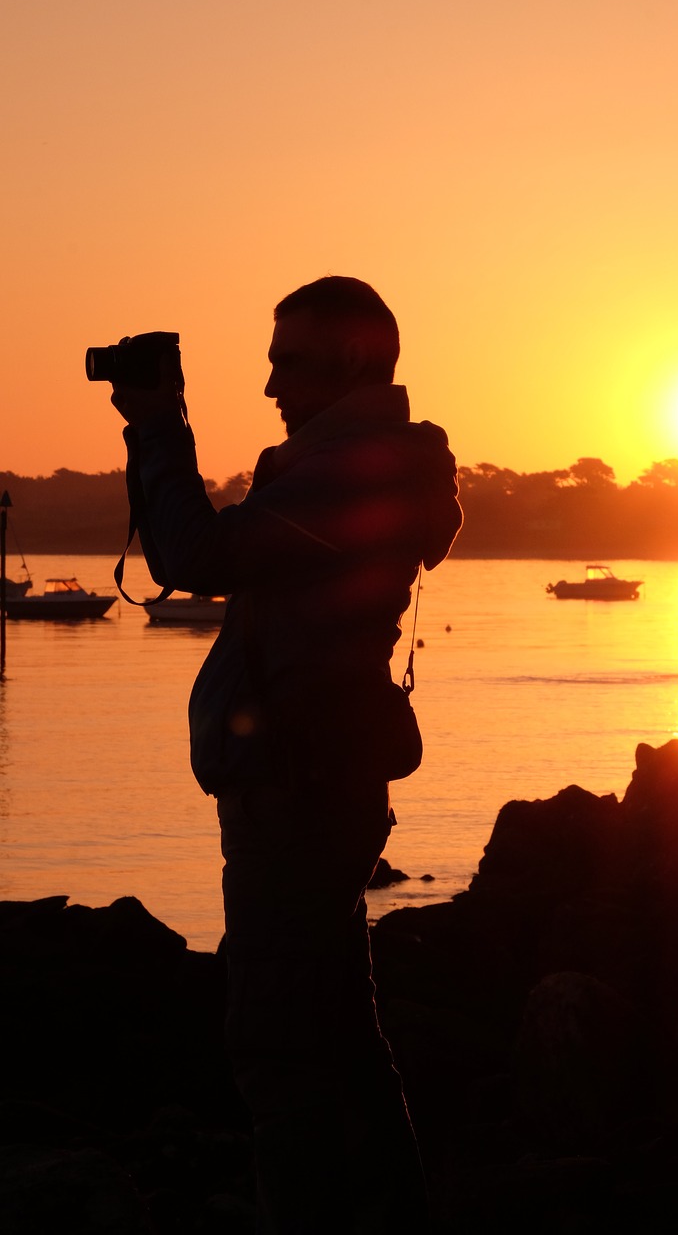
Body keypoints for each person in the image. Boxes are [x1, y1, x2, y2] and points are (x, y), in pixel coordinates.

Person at [109, 276, 463, 1233]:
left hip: (298, 789)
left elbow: (195, 558)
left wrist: (156, 426)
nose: (269, 383)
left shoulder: (360, 467)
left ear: (353, 359)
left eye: (287, 361)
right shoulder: (360, 460)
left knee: (275, 1044)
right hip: (316, 778)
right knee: (340, 1034)